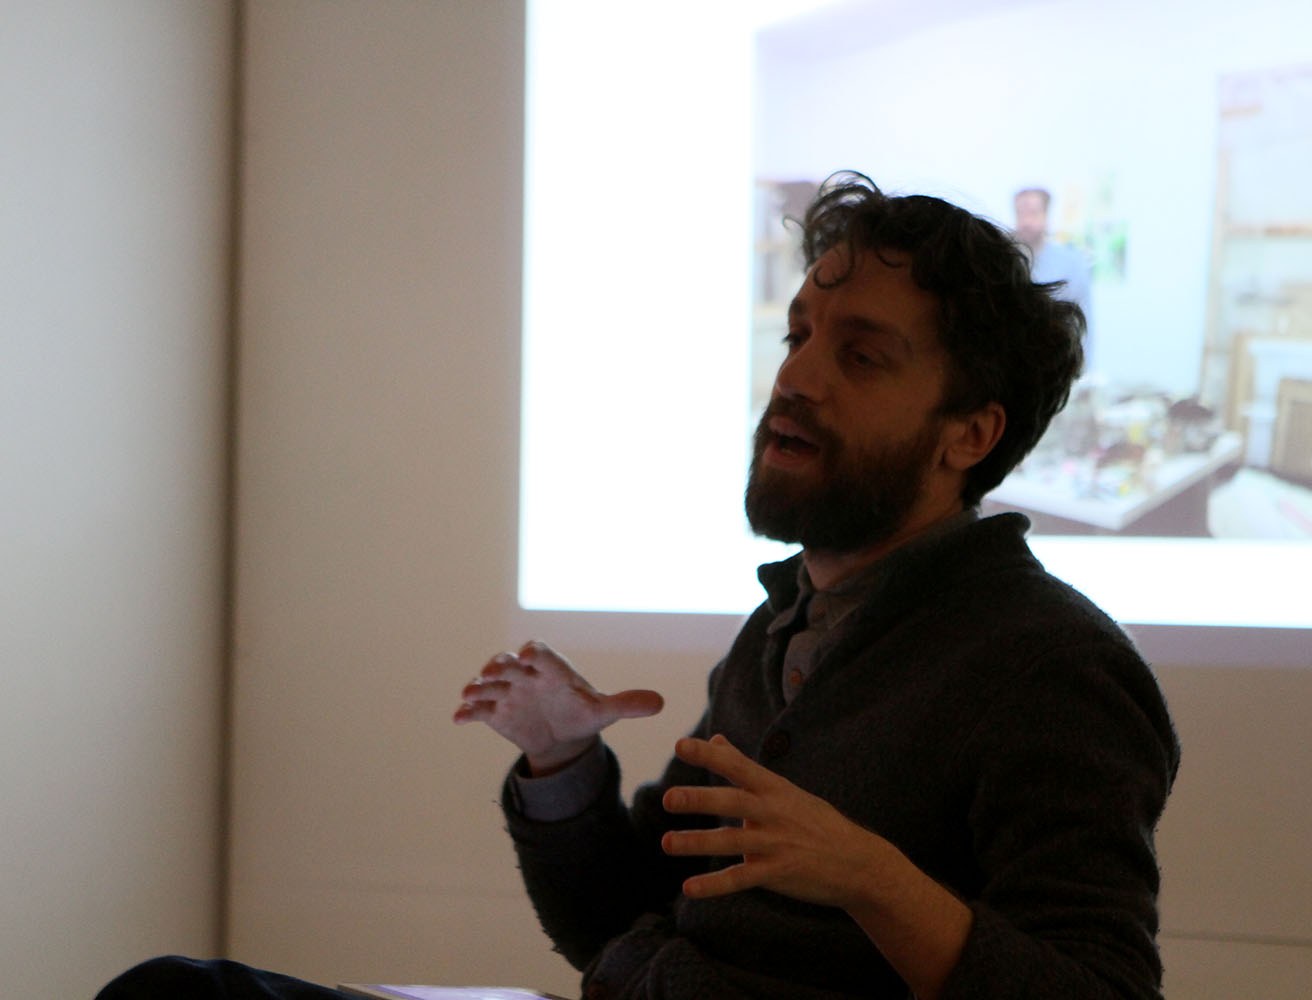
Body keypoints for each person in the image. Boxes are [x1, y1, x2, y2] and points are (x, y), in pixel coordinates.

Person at [94, 172, 1177, 1000]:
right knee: (173, 996)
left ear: (970, 434)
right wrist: (564, 762)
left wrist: (871, 878)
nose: (795, 375)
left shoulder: (1050, 663)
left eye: (861, 356)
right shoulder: (783, 629)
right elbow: (615, 922)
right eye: (799, 335)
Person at [1013, 186, 1093, 366]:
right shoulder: (1005, 261)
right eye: (1021, 213)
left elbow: (1082, 320)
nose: (1026, 221)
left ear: (1046, 215)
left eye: (1033, 213)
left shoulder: (1071, 263)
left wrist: (1084, 367)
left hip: (1059, 362)